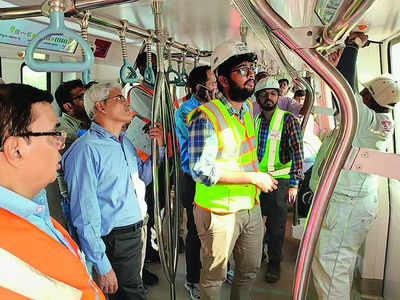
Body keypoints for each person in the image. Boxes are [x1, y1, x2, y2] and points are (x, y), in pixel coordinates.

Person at [310, 33, 400, 300]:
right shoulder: (378, 120)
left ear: (370, 98)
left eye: (364, 92)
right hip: (357, 201)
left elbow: (345, 91)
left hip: (346, 205)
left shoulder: (361, 116)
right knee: (341, 262)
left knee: (330, 266)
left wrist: (352, 47)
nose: (358, 94)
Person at [187, 40, 278, 300]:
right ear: (224, 80)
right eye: (243, 70)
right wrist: (253, 178)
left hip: (250, 206)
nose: (251, 75)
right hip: (218, 212)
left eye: (251, 68)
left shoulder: (247, 110)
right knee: (215, 276)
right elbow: (201, 170)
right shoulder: (206, 116)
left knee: (249, 270)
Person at [0, 83, 104, 299]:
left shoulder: (35, 209)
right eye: (53, 135)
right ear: (15, 150)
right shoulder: (7, 251)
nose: (60, 144)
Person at [62, 82, 164, 300]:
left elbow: (143, 179)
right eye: (120, 98)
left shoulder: (124, 143)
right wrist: (102, 264)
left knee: (130, 290)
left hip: (137, 229)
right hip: (116, 240)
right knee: (131, 295)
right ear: (100, 106)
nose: (127, 103)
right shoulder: (86, 150)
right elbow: (84, 214)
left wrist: (159, 147)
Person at [254, 77, 304, 283]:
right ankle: (258, 254)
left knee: (276, 226)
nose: (269, 97)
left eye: (273, 94)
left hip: (280, 182)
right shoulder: (254, 121)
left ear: (278, 96)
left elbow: (297, 153)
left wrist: (294, 184)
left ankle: (274, 261)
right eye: (264, 94)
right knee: (255, 224)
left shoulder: (288, 119)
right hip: (256, 181)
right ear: (258, 98)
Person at [175, 65, 218, 300]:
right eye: (211, 82)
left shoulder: (218, 105)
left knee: (217, 227)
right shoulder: (185, 111)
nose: (214, 86)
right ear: (199, 86)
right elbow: (196, 135)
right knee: (194, 230)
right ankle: (192, 278)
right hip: (192, 178)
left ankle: (220, 269)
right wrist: (208, 105)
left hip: (215, 176)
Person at [54, 79, 91, 236]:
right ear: (68, 106)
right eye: (82, 97)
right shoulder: (62, 129)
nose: (88, 100)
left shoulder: (91, 122)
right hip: (75, 196)